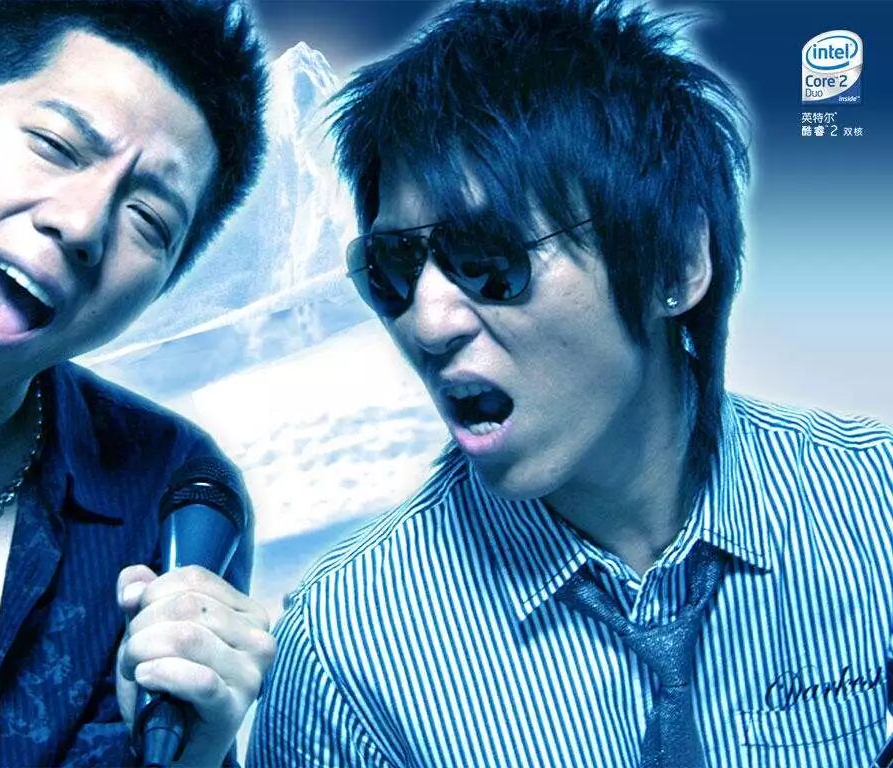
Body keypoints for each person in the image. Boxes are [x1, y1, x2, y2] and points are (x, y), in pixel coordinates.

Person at [247, 1, 893, 766]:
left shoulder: (875, 507)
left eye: (486, 258)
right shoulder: (341, 656)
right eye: (394, 268)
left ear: (675, 262)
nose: (427, 320)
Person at [0, 0, 276, 764]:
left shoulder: (176, 493)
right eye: (56, 145)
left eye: (149, 219)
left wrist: (194, 755)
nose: (84, 225)